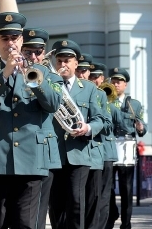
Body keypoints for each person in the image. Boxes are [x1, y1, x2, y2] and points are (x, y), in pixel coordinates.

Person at [0, 12, 61, 229]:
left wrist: (32, 76)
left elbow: (53, 104)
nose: (10, 43)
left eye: (14, 38)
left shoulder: (45, 73)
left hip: (32, 160)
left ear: (21, 40)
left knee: (26, 224)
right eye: (4, 38)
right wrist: (5, 73)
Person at [48, 41, 109, 229]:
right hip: (53, 153)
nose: (63, 64)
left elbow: (100, 119)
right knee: (56, 204)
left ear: (76, 64)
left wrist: (88, 128)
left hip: (79, 153)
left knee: (76, 202)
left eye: (67, 61)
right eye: (59, 60)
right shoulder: (49, 85)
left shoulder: (89, 88)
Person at [20, 27, 63, 229]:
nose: (33, 57)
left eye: (38, 52)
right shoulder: (12, 74)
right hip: (18, 151)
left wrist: (37, 80)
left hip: (42, 153)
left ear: (43, 52)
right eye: (28, 52)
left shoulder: (52, 77)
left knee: (37, 214)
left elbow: (53, 104)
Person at [105, 67, 146, 229]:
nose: (116, 84)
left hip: (126, 148)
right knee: (107, 186)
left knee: (126, 188)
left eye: (119, 82)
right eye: (114, 81)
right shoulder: (105, 100)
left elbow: (142, 126)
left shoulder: (134, 104)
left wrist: (141, 127)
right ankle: (112, 213)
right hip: (109, 146)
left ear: (125, 84)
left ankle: (126, 223)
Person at [77, 55, 114, 229]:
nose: (81, 74)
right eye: (79, 70)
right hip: (70, 155)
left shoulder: (99, 94)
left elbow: (107, 125)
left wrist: (90, 126)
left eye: (84, 71)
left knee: (93, 201)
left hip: (92, 154)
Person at [87, 60, 124, 229]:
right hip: (88, 152)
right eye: (91, 76)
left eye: (97, 77)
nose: (93, 80)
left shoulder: (107, 99)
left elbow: (114, 123)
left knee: (103, 195)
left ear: (103, 78)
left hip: (105, 152)